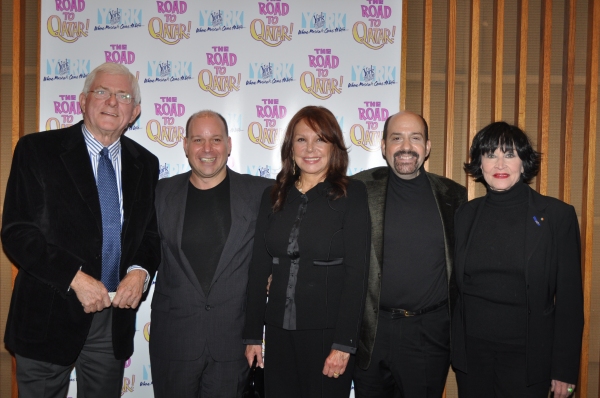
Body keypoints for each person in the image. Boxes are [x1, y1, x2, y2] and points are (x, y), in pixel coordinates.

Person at [2, 62, 160, 397]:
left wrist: (139, 271)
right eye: (102, 91)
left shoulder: (145, 163)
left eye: (123, 95)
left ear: (135, 112)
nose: (112, 102)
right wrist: (74, 277)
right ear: (82, 100)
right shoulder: (36, 150)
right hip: (47, 315)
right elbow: (17, 232)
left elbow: (149, 234)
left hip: (112, 322)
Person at [243, 105, 370, 398]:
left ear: (333, 146)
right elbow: (259, 267)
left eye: (320, 139)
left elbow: (357, 274)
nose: (310, 148)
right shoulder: (273, 195)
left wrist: (343, 344)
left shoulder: (352, 194)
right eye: (301, 140)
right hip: (277, 332)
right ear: (290, 147)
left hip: (327, 336)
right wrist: (252, 335)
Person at [451, 121, 583, 398]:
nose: (500, 163)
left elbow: (570, 301)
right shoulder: (464, 215)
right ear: (479, 164)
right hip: (473, 358)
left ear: (524, 163)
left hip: (528, 359)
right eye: (490, 154)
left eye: (510, 154)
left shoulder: (557, 216)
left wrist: (565, 370)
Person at [149, 110, 271, 398]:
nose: (207, 149)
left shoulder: (260, 192)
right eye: (198, 140)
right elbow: (138, 246)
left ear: (229, 144)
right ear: (185, 145)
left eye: (216, 139)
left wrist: (277, 271)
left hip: (232, 341)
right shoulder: (159, 193)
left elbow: (293, 235)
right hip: (174, 341)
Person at [352, 111, 467, 398]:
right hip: (371, 331)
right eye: (396, 138)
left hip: (428, 334)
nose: (406, 146)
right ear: (383, 146)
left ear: (427, 147)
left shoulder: (454, 196)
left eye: (415, 138)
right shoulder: (357, 189)